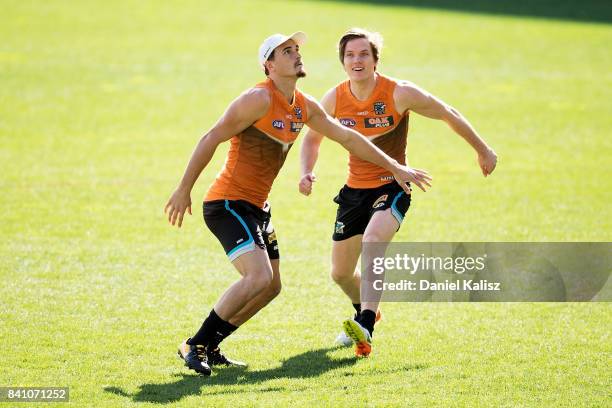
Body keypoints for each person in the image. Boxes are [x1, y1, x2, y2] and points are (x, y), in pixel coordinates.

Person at [164, 31, 432, 375]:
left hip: (258, 207)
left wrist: (394, 166)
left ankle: (211, 345)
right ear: (269, 65)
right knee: (258, 277)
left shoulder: (304, 105)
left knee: (271, 286)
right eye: (286, 51)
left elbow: (349, 137)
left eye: (296, 49)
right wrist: (184, 187)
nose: (296, 54)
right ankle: (195, 343)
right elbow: (211, 137)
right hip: (227, 202)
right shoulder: (256, 100)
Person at [299, 28, 498, 358]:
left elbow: (448, 112)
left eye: (364, 54)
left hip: (394, 185)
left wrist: (483, 149)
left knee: (374, 240)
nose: (357, 60)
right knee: (340, 273)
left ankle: (365, 323)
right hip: (353, 192)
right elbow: (312, 138)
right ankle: (367, 309)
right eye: (350, 55)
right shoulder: (334, 98)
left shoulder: (399, 93)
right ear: (342, 62)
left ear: (376, 59)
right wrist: (307, 171)